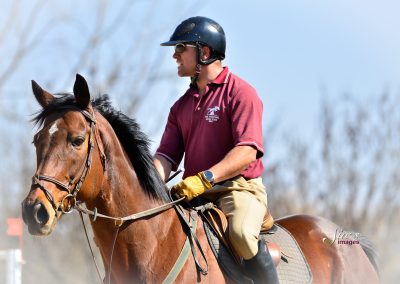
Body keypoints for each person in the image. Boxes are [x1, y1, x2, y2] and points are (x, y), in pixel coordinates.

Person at [153, 16, 279, 284]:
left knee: (242, 234)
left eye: (181, 48)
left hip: (238, 189)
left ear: (205, 52)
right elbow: (165, 157)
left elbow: (247, 151)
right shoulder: (180, 107)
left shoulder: (241, 93)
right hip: (193, 191)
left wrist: (204, 179)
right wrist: (149, 182)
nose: (174, 55)